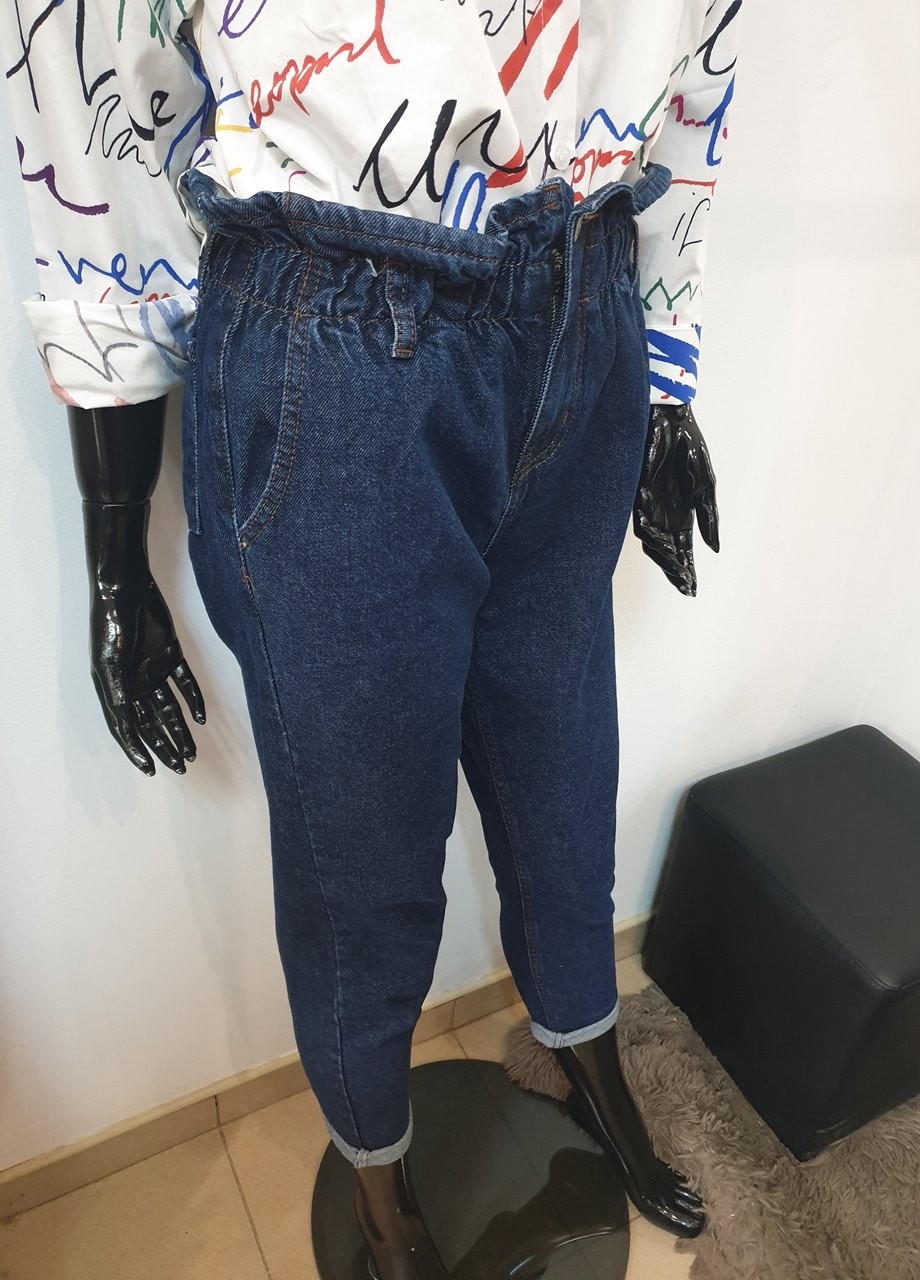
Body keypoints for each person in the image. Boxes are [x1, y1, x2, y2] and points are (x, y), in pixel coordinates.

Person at [1, 3, 740, 1274]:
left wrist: (662, 373)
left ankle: (586, 1047)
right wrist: (114, 545)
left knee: (561, 764)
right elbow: (88, 87)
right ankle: (379, 1182)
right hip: (336, 338)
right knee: (360, 848)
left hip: (586, 293)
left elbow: (698, 52)